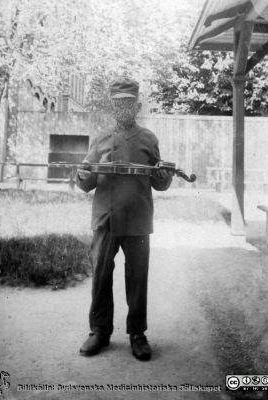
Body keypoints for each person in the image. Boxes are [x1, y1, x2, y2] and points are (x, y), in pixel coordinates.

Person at [76, 77, 173, 361]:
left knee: (137, 278)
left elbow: (160, 182)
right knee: (101, 276)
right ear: (112, 106)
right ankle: (100, 331)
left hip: (138, 221)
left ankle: (137, 334)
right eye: (118, 104)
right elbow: (86, 181)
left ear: (137, 105)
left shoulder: (148, 139)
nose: (123, 109)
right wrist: (82, 176)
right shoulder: (101, 139)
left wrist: (163, 176)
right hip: (105, 220)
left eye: (129, 104)